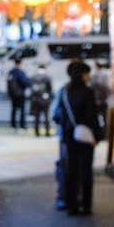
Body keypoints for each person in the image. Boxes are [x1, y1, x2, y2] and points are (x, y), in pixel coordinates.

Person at [55, 61, 101, 216]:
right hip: (85, 136)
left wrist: (68, 127)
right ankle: (86, 205)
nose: (89, 76)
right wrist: (97, 135)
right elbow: (92, 117)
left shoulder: (65, 92)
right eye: (87, 73)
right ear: (81, 74)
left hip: (69, 136)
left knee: (71, 171)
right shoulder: (87, 92)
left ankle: (71, 205)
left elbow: (57, 115)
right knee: (86, 171)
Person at [7, 58, 31, 132]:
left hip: (13, 94)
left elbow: (8, 83)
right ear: (20, 63)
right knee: (22, 111)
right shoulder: (21, 72)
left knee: (14, 110)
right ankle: (22, 127)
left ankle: (13, 126)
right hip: (20, 94)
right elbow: (26, 82)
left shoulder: (11, 72)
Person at [29, 65, 53, 136]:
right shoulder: (47, 77)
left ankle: (37, 132)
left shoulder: (33, 77)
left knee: (37, 117)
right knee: (46, 117)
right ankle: (47, 132)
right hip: (45, 100)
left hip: (35, 100)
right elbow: (50, 89)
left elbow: (31, 89)